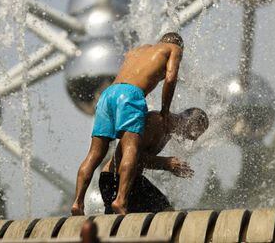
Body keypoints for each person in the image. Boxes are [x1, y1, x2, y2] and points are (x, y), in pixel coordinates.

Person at [71, 32, 184, 215]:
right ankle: (121, 200)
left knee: (94, 153)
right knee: (131, 148)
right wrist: (165, 110)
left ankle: (78, 203)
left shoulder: (139, 50)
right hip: (129, 96)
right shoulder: (174, 48)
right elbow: (170, 78)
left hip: (108, 93)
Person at [100, 107, 209, 214]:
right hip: (114, 179)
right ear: (189, 122)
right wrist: (166, 163)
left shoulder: (168, 131)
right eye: (196, 133)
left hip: (132, 181)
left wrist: (168, 166)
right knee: (166, 213)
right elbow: (131, 157)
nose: (194, 139)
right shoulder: (156, 121)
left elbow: (141, 161)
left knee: (165, 212)